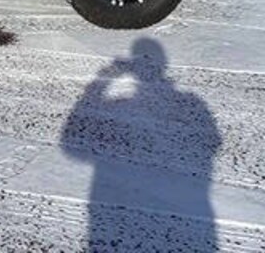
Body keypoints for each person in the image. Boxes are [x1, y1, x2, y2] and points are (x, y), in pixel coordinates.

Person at [61, 38, 221, 251]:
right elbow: (212, 142)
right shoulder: (192, 102)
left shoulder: (121, 105)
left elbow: (71, 146)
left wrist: (101, 81)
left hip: (116, 207)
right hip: (188, 210)